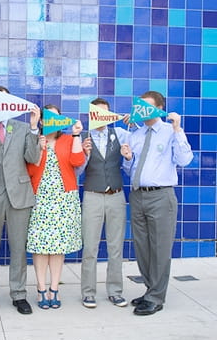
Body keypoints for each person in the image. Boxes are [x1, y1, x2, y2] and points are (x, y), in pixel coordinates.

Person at [121, 91, 193, 315]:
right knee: (142, 248)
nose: (143, 111)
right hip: (138, 195)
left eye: (148, 106)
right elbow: (130, 170)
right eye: (140, 106)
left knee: (160, 248)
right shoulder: (136, 134)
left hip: (161, 196)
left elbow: (184, 160)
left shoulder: (170, 131)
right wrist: (128, 159)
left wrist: (178, 129)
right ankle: (150, 289)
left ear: (159, 107)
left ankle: (156, 297)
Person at [0, 86, 41, 317]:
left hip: (19, 196)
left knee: (18, 249)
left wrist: (34, 127)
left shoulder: (22, 128)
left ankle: (19, 294)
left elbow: (33, 158)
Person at [26, 104, 85, 309]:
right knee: (40, 246)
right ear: (42, 121)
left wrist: (77, 135)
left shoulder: (68, 140)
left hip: (63, 199)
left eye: (56, 117)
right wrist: (39, 149)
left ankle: (54, 289)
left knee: (58, 248)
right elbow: (30, 169)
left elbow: (78, 161)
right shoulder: (34, 140)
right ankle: (41, 288)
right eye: (47, 117)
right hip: (40, 199)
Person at [79, 98, 130, 309]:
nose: (101, 116)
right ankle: (88, 292)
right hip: (92, 196)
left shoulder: (121, 133)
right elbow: (78, 172)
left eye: (105, 112)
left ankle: (115, 291)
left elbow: (130, 164)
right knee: (90, 247)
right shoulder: (85, 138)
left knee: (115, 247)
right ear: (92, 115)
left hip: (116, 196)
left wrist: (127, 157)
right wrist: (84, 154)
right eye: (97, 112)